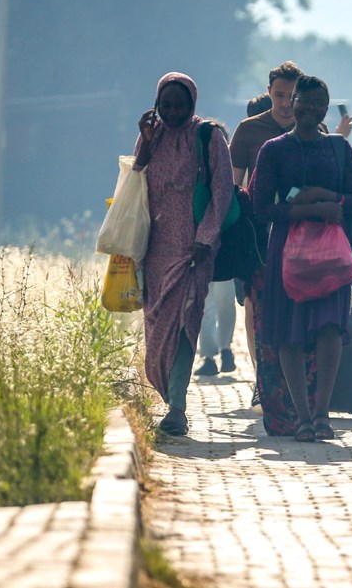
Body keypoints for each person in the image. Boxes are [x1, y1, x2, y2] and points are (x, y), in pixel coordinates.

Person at [250, 75, 352, 442]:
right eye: (305, 101)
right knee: (291, 334)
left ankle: (321, 415)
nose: (311, 108)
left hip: (331, 253)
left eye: (319, 103)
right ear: (293, 102)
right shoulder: (273, 149)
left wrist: (325, 198)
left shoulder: (338, 148)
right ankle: (301, 418)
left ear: (326, 108)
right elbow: (260, 206)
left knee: (329, 328)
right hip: (287, 252)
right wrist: (308, 209)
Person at [132, 72, 234, 436]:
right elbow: (134, 182)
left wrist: (206, 236)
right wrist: (145, 144)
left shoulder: (209, 137)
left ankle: (177, 407)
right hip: (154, 249)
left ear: (192, 103)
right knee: (157, 324)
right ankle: (167, 393)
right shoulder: (152, 136)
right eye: (166, 105)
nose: (173, 112)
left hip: (194, 249)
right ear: (157, 105)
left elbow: (222, 191)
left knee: (184, 323)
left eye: (180, 105)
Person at [195, 280, 236, 375]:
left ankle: (225, 349)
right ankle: (208, 356)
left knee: (225, 301)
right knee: (205, 307)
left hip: (224, 270)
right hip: (203, 270)